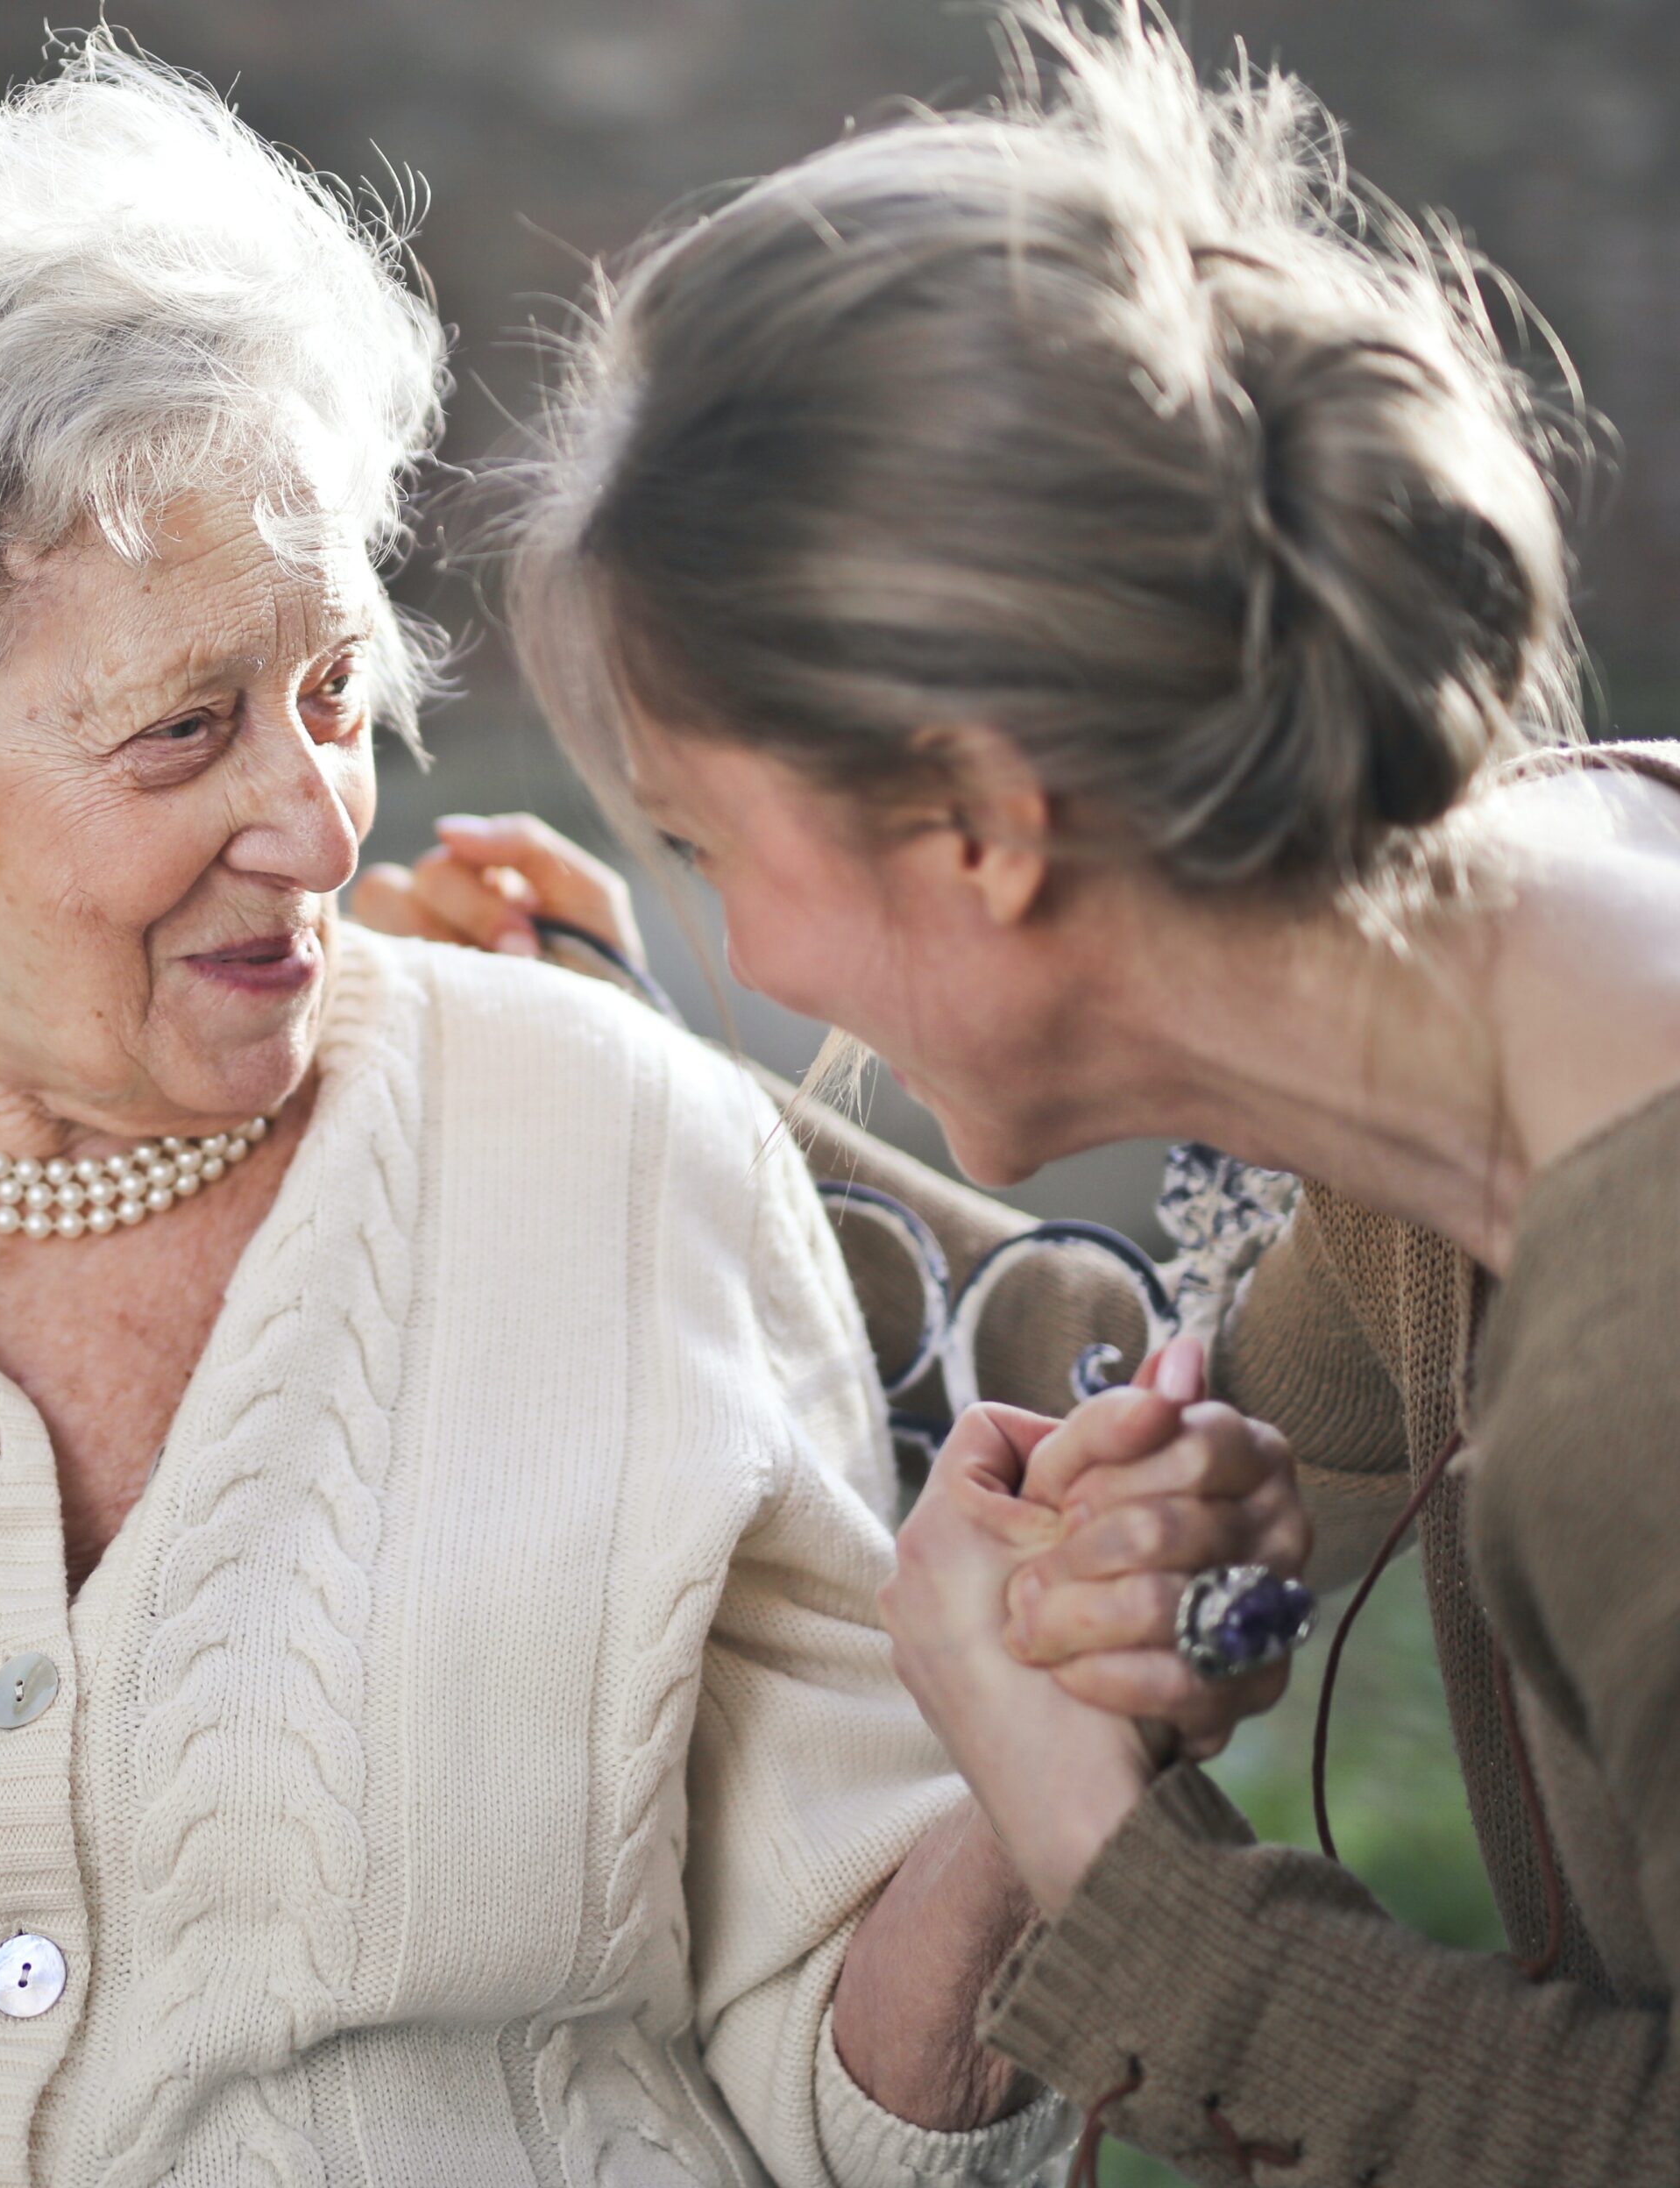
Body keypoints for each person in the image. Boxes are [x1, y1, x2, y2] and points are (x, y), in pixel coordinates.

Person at [0, 37, 1307, 2188]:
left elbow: (849, 2103)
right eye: (179, 733)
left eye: (333, 692)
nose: (320, 823)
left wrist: (1025, 1772)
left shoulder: (619, 1161)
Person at [363, 5, 1680, 2182]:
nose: (749, 952)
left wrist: (1096, 1846)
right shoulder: (1507, 971)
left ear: (974, 824)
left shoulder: (1643, 1345)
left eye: (708, 850)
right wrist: (588, 1054)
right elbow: (1118, 1392)